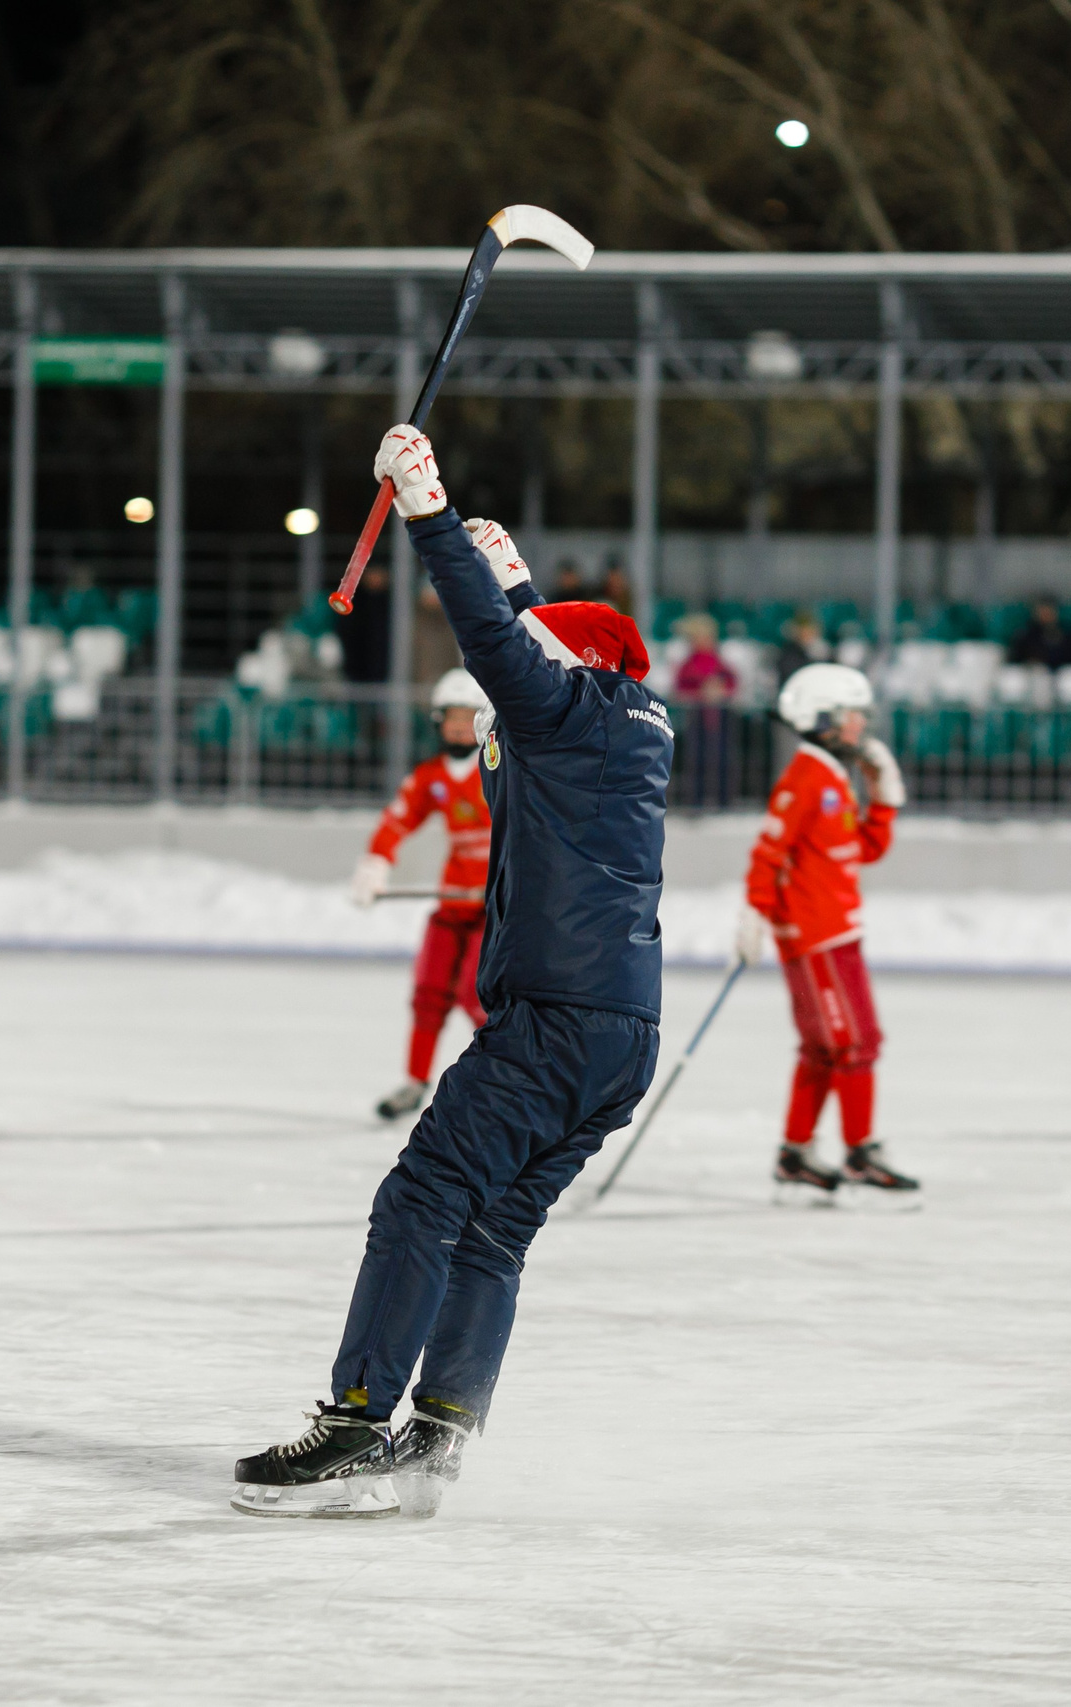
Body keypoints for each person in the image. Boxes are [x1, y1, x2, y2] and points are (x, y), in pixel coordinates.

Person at [233, 427, 668, 1522]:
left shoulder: (559, 716)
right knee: (493, 1229)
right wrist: (512, 573)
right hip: (622, 1035)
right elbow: (525, 637)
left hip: (551, 1026)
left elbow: (493, 643)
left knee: (423, 1198)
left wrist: (425, 508)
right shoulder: (629, 725)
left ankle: (353, 1424)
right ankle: (436, 1437)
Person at [736, 661, 918, 1197]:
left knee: (824, 1048)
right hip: (815, 938)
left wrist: (883, 798)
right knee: (855, 1043)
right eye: (854, 715)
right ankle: (861, 1156)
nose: (863, 725)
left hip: (837, 932)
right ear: (823, 719)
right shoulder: (805, 778)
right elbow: (768, 854)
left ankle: (795, 1156)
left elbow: (860, 850)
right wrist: (753, 914)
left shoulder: (833, 776)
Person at [351, 668, 494, 1122]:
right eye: (450, 716)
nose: (457, 726)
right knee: (429, 992)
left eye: (466, 715)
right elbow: (398, 819)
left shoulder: (501, 766)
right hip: (455, 900)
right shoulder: (432, 777)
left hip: (496, 907)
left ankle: (503, 1082)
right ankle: (414, 1080)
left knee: (478, 995)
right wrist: (376, 863)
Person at [672, 613, 737, 810]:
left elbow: (732, 682)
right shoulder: (688, 664)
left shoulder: (719, 661)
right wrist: (701, 692)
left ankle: (723, 800)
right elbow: (681, 687)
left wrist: (720, 691)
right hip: (697, 717)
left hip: (718, 717)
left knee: (722, 758)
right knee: (697, 759)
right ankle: (696, 800)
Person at [1008, 598, 1068, 670]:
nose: (1045, 614)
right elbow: (1015, 657)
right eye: (1042, 610)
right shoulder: (1025, 634)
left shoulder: (1065, 633)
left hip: (1058, 671)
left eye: (1049, 611)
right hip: (1031, 672)